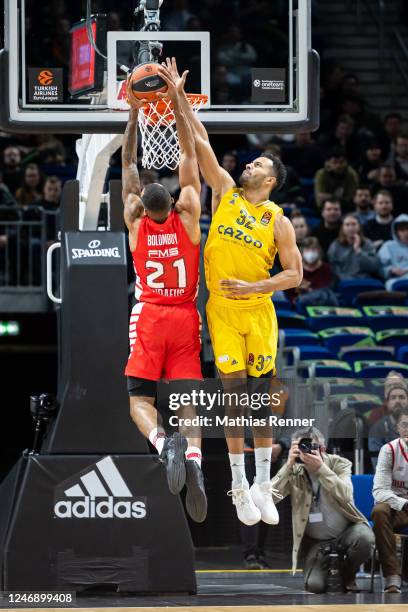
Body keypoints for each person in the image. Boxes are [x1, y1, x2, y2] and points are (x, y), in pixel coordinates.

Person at [157, 58, 303, 526]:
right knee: (233, 396)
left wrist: (256, 284)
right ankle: (238, 485)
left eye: (257, 162)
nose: (248, 163)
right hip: (221, 310)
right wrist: (178, 97)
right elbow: (198, 142)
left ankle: (262, 483)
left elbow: (295, 275)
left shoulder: (277, 220)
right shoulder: (224, 191)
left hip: (258, 311)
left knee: (260, 399)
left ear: (270, 180)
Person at [122, 73, 207, 523]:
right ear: (173, 203)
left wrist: (136, 113)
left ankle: (161, 443)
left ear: (142, 207)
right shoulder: (189, 215)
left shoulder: (135, 222)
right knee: (188, 398)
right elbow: (190, 155)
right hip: (185, 316)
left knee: (139, 399)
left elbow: (128, 165)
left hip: (151, 316)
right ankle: (193, 457)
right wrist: (174, 100)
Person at [269, 428, 374, 593]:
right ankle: (330, 569)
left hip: (347, 532)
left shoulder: (339, 463)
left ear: (322, 449)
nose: (305, 450)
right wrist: (288, 465)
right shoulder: (294, 470)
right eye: (300, 446)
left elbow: (346, 495)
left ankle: (347, 574)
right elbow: (270, 498)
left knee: (365, 538)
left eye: (310, 446)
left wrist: (321, 469)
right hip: (317, 543)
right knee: (314, 586)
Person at [372, 407, 408, 593]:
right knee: (379, 511)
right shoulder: (389, 450)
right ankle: (392, 575)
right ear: (398, 428)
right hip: (397, 507)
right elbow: (379, 491)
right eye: (405, 424)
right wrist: (404, 504)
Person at [368, 374, 408, 468]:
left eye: (402, 397)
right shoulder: (377, 428)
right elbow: (379, 466)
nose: (397, 401)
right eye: (393, 398)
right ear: (387, 402)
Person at [287, 237, 337, 307]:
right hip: (297, 305)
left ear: (319, 251)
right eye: (307, 249)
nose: (310, 252)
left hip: (320, 305)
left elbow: (326, 291)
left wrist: (308, 290)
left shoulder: (326, 269)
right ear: (302, 252)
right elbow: (288, 292)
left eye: (314, 249)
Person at [327, 214, 379, 280]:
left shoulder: (367, 243)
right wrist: (346, 279)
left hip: (364, 280)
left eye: (354, 224)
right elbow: (333, 269)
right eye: (347, 225)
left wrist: (358, 251)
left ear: (359, 226)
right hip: (343, 280)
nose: (351, 228)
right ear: (342, 227)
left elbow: (373, 267)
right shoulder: (335, 245)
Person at [378, 214, 408, 290]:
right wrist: (390, 270)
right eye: (402, 230)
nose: (406, 233)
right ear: (396, 232)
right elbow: (379, 267)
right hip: (396, 280)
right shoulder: (388, 246)